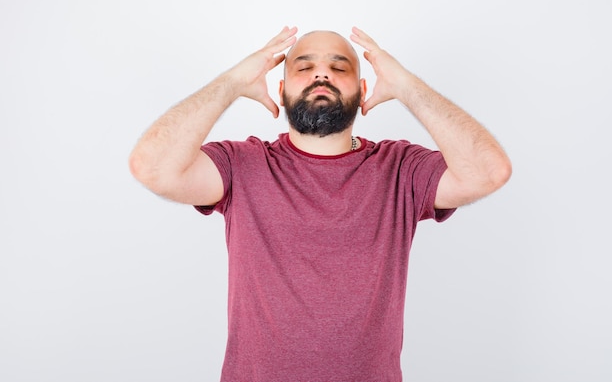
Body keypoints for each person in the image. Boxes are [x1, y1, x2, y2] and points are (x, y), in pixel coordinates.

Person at [128, 26, 512, 381]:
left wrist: (408, 86)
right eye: (305, 66)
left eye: (338, 67)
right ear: (280, 90)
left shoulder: (400, 168)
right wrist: (230, 83)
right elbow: (152, 168)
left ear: (362, 90)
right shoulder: (242, 164)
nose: (321, 74)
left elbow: (488, 172)